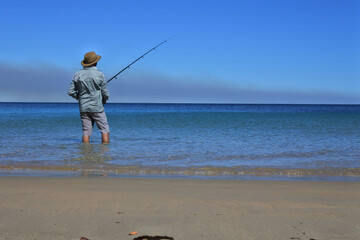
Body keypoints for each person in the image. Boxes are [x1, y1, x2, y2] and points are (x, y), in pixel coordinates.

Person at [68, 51, 110, 143]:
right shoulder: (100, 74)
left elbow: (70, 92)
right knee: (105, 130)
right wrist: (104, 100)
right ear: (95, 62)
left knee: (86, 132)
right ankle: (105, 154)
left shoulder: (77, 74)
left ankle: (85, 154)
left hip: (84, 107)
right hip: (97, 107)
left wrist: (79, 97)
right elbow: (105, 93)